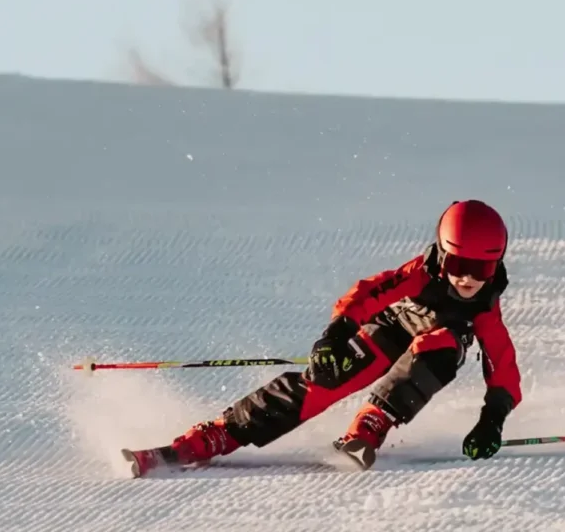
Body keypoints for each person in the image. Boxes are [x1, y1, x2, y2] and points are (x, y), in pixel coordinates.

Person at [123, 200, 521, 475]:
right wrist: (335, 337)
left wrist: (492, 419)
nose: (468, 278)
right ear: (442, 253)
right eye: (458, 263)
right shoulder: (420, 272)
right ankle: (219, 434)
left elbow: (502, 365)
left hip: (435, 347)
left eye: (482, 268)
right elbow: (367, 294)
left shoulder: (485, 305)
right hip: (390, 330)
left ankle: (372, 422)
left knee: (440, 349)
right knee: (325, 380)